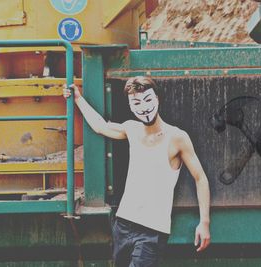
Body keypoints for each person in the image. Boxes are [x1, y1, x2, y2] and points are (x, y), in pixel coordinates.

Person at [64, 76, 210, 267]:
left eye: (148, 100)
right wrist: (77, 98)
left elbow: (201, 179)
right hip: (123, 224)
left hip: (152, 231)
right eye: (137, 102)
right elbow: (101, 126)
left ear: (157, 99)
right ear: (131, 106)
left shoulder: (177, 137)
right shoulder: (132, 129)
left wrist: (204, 222)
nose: (144, 107)